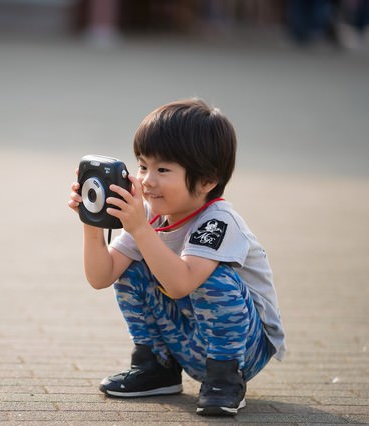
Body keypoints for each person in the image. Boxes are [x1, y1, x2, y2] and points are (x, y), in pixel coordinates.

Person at [67, 98, 286, 416]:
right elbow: (101, 277)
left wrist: (141, 231)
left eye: (163, 169)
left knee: (214, 277)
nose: (146, 180)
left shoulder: (219, 221)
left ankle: (225, 379)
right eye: (142, 166)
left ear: (207, 180)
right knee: (131, 267)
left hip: (243, 348)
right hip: (189, 340)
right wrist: (93, 222)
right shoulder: (150, 216)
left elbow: (182, 283)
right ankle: (157, 367)